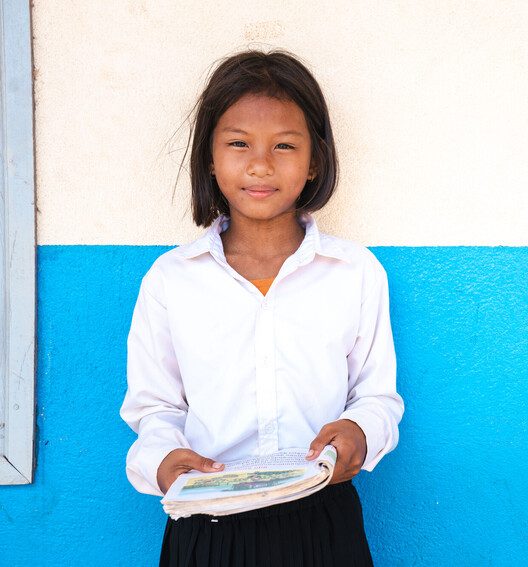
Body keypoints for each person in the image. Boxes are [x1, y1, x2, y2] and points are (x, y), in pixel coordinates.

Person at [119, 50, 404, 567]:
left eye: (285, 146)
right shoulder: (171, 279)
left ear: (315, 159)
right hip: (207, 526)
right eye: (238, 143)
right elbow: (154, 406)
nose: (259, 164)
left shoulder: (355, 272)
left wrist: (360, 430)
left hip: (322, 522)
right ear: (209, 154)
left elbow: (377, 395)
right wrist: (165, 461)